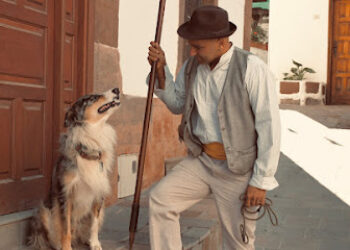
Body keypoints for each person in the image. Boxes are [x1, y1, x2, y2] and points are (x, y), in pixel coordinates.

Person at [147, 5, 280, 250]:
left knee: (238, 242)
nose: (192, 51)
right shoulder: (191, 66)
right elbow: (178, 105)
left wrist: (260, 181)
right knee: (161, 199)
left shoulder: (252, 69)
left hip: (238, 170)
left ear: (221, 42)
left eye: (198, 46)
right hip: (202, 161)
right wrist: (161, 71)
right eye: (191, 45)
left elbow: (269, 127)